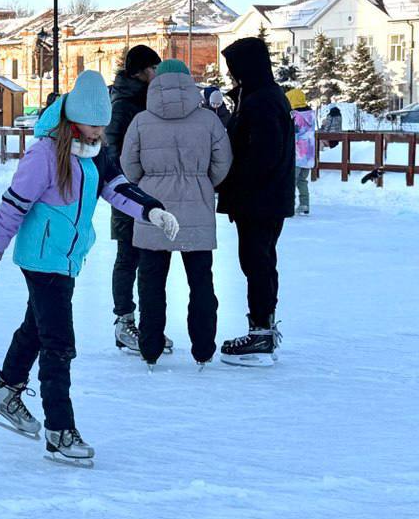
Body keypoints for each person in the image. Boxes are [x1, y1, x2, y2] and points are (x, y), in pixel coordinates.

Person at [0, 71, 177, 466]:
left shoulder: (95, 151)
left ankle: (6, 390)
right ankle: (58, 430)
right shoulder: (44, 155)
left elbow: (116, 187)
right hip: (41, 259)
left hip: (67, 258)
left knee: (37, 327)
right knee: (58, 342)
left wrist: (151, 210)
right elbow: (13, 205)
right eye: (94, 124)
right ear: (74, 118)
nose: (101, 131)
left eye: (104, 124)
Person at [121, 60, 233, 367]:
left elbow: (129, 166)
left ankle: (150, 347)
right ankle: (203, 348)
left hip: (153, 210)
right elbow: (223, 163)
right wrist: (202, 182)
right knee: (201, 282)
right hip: (197, 209)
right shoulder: (208, 121)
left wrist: (149, 183)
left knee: (151, 283)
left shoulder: (142, 121)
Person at [216, 37, 295, 366]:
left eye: (234, 68)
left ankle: (261, 331)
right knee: (259, 261)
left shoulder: (262, 100)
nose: (232, 75)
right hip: (263, 198)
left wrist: (233, 182)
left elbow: (263, 153)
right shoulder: (259, 95)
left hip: (260, 199)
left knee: (257, 261)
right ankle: (263, 325)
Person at [104, 43, 162, 355]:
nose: (157, 73)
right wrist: (129, 185)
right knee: (128, 256)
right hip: (127, 192)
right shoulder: (125, 103)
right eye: (153, 68)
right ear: (138, 72)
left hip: (145, 190)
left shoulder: (143, 100)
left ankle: (145, 325)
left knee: (145, 258)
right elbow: (113, 149)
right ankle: (124, 321)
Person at [287, 89, 316, 216]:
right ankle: (305, 204)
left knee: (291, 181)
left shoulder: (294, 116)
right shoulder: (311, 115)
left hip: (297, 154)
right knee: (302, 180)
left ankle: (289, 206)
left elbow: (290, 132)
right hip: (308, 155)